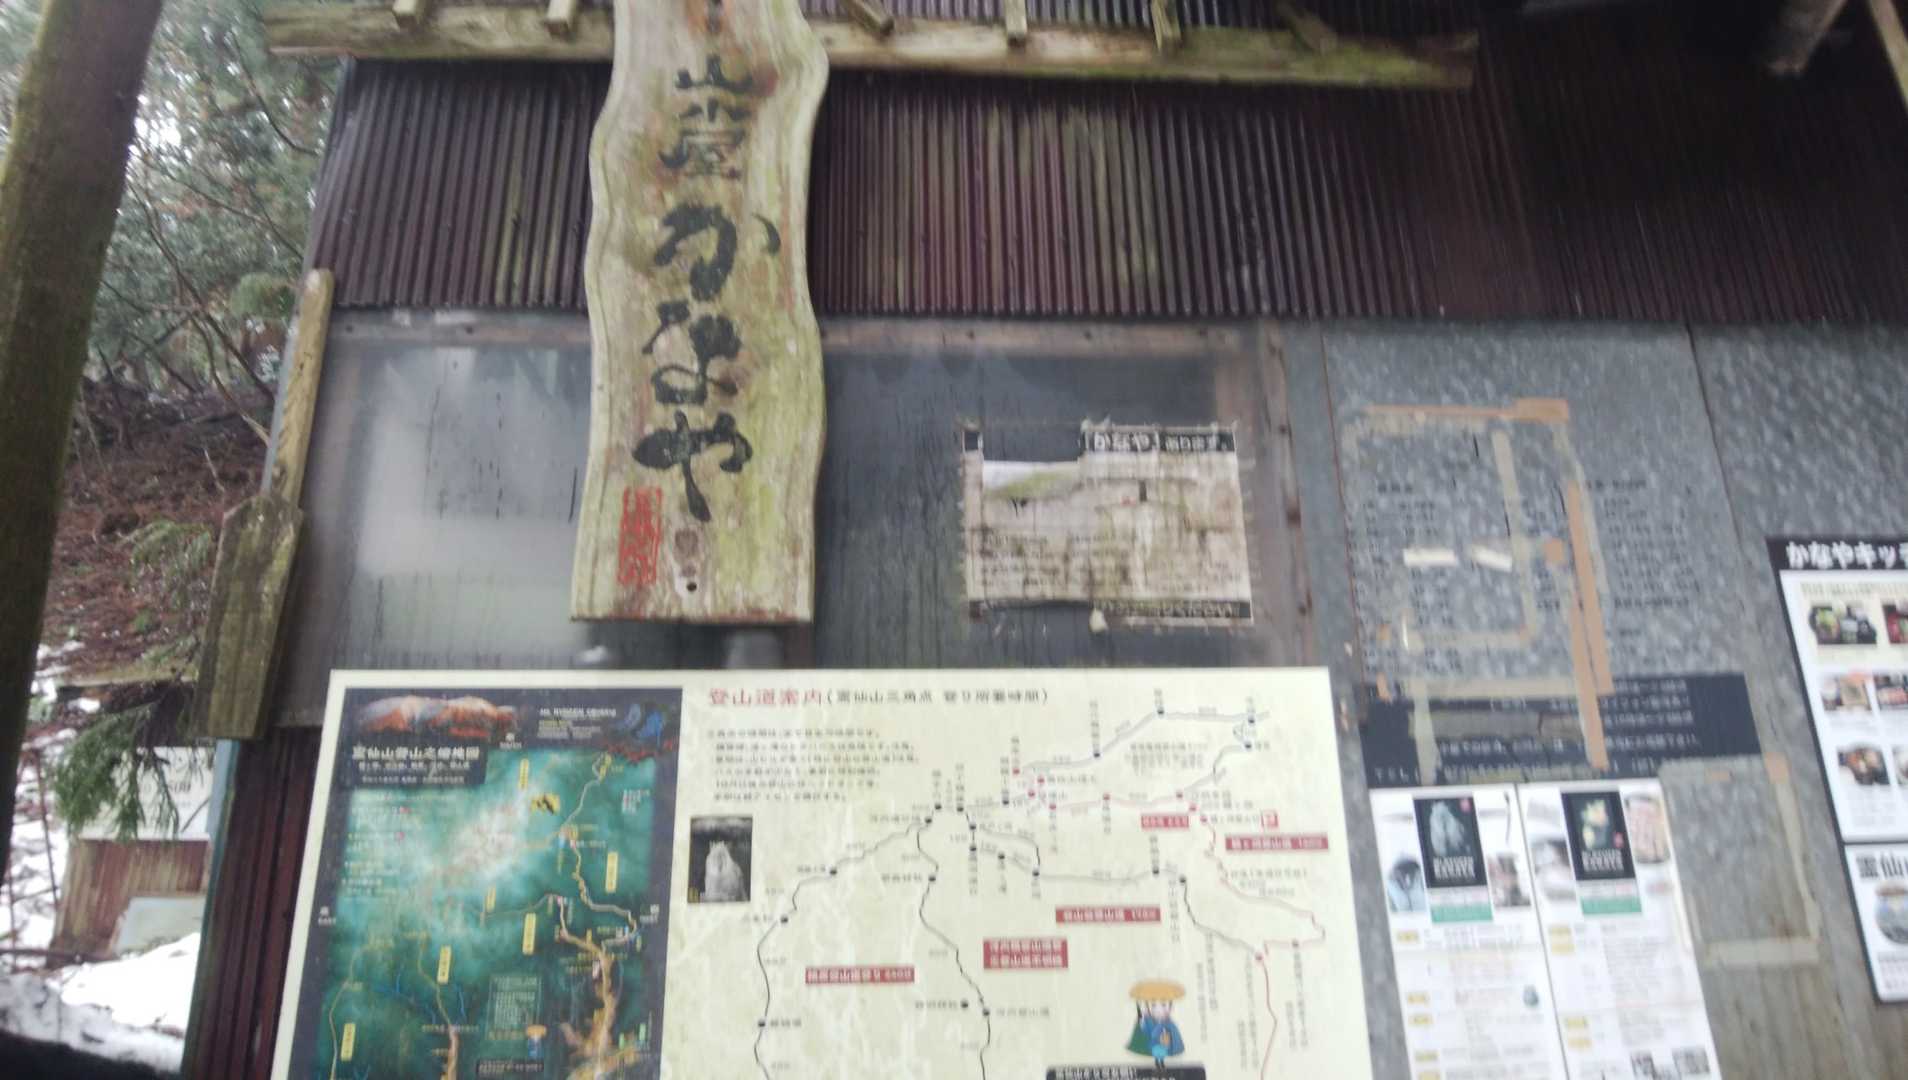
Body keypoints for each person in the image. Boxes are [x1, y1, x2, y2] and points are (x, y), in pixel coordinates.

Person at [1125, 979, 1188, 1072]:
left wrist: (1167, 1037)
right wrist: (1141, 1022)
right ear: (1147, 1006)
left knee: (1161, 1054)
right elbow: (1144, 1032)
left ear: (1170, 1006)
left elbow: (1175, 1040)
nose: (1158, 1009)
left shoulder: (1170, 1023)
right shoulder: (1147, 1021)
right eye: (1153, 1005)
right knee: (1157, 1054)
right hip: (1154, 1044)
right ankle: (1158, 1064)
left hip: (1164, 1045)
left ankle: (1161, 1064)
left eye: (1163, 1004)